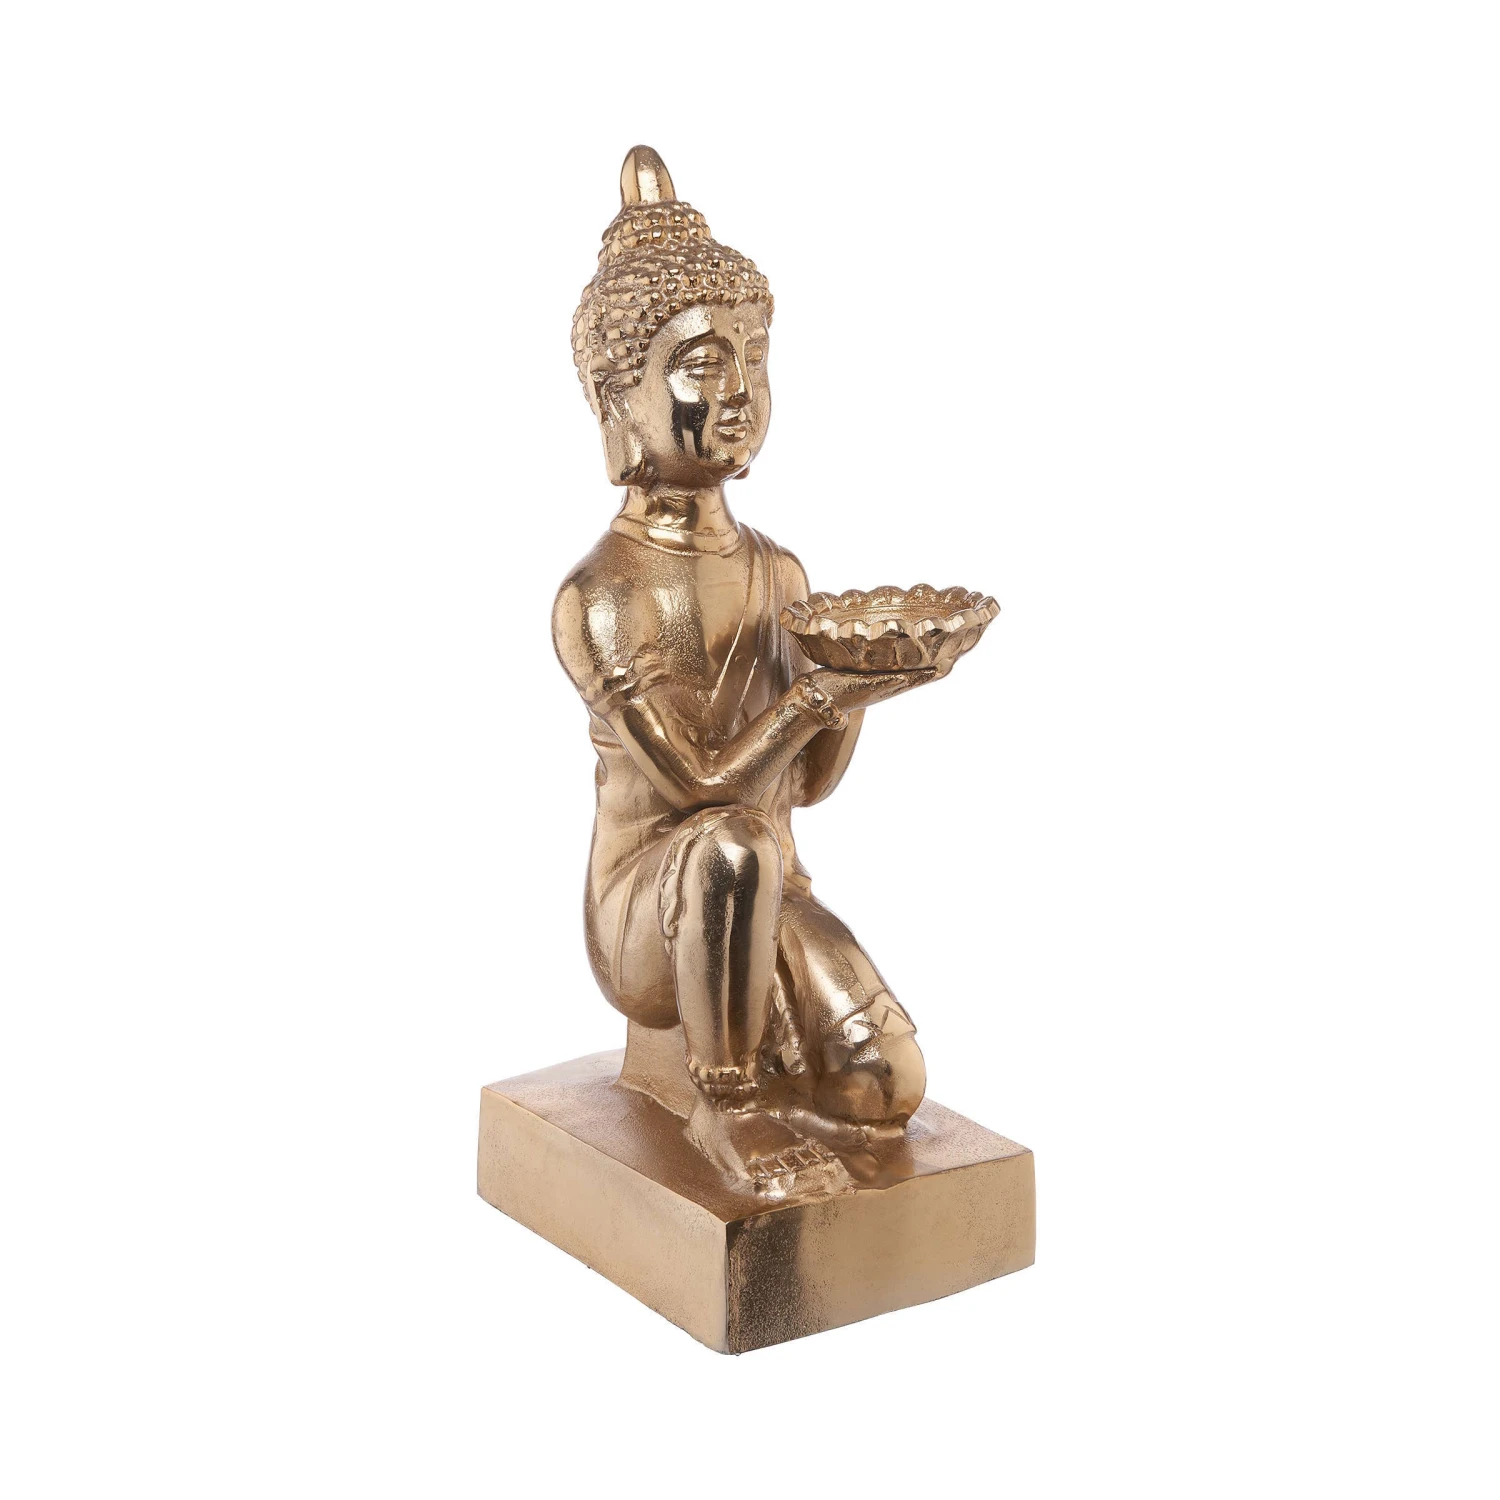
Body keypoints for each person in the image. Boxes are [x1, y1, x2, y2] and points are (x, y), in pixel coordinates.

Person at [553, 148, 952, 1191]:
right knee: (727, 845)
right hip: (648, 914)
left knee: (885, 1086)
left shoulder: (779, 573)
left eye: (755, 359)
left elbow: (804, 787)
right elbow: (701, 790)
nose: (738, 392)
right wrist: (818, 693)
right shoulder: (602, 595)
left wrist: (854, 697)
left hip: (769, 889)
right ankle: (729, 1105)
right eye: (699, 363)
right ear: (617, 398)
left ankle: (779, 1054)